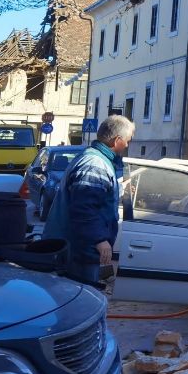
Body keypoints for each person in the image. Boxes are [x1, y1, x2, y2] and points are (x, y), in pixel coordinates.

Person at [43, 115, 134, 286]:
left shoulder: (95, 158)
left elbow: (91, 196)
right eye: (127, 141)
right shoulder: (95, 164)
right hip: (77, 251)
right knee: (78, 302)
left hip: (76, 248)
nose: (128, 145)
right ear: (117, 140)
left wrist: (118, 190)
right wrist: (99, 240)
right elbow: (83, 208)